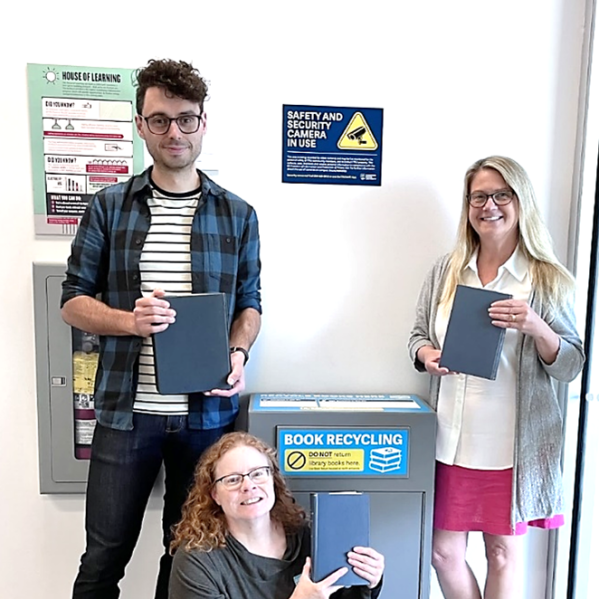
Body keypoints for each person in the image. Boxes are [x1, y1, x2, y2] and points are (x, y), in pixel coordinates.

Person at [61, 59, 262, 599]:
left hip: (205, 418)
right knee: (103, 556)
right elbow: (72, 303)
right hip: (128, 414)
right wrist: (129, 321)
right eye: (160, 119)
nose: (174, 131)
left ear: (202, 123)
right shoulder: (108, 207)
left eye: (185, 119)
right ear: (140, 124)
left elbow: (250, 304)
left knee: (188, 558)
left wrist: (238, 352)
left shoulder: (237, 214)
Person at [408, 156, 584, 599]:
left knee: (502, 553)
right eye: (479, 197)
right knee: (443, 553)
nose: (490, 206)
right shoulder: (446, 271)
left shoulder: (544, 280)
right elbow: (416, 337)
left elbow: (571, 364)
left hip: (510, 443)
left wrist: (537, 327)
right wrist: (427, 354)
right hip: (450, 438)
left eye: (501, 195)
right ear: (468, 206)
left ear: (520, 201)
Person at [169, 432, 385, 599]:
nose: (248, 486)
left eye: (258, 474)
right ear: (214, 494)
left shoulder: (306, 537)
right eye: (233, 479)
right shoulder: (197, 560)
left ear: (273, 480)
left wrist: (369, 581)